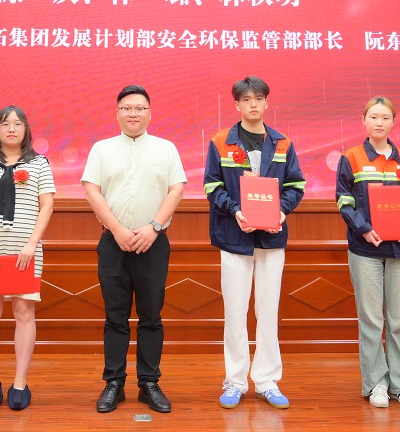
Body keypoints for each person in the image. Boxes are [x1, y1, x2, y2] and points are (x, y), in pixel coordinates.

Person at [82, 85, 186, 414]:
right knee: (115, 316)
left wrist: (154, 227)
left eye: (140, 108)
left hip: (153, 243)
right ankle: (114, 383)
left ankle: (149, 384)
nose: (133, 113)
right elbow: (92, 190)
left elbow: (176, 189)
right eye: (127, 108)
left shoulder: (166, 149)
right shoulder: (101, 149)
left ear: (150, 114)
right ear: (117, 113)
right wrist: (117, 230)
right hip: (113, 243)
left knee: (151, 317)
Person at [204, 76, 305, 410]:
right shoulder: (221, 141)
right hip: (234, 236)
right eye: (246, 99)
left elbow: (296, 186)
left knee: (268, 310)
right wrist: (235, 210)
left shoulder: (283, 143)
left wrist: (281, 211)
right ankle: (235, 381)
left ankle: (266, 380)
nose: (253, 104)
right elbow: (212, 186)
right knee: (235, 312)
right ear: (237, 105)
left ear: (266, 103)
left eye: (258, 98)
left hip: (271, 237)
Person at [336, 97, 400, 409]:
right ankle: (376, 383)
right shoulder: (351, 157)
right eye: (373, 117)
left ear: (393, 122)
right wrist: (363, 228)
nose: (379, 122)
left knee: (399, 320)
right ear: (363, 121)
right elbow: (344, 200)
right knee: (371, 319)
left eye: (385, 117)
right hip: (365, 248)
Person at [0, 106, 55, 412]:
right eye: (5, 124)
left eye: (17, 124)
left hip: (25, 250)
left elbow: (47, 206)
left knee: (24, 312)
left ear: (26, 129)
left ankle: (20, 382)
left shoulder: (39, 163)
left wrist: (32, 244)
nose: (12, 129)